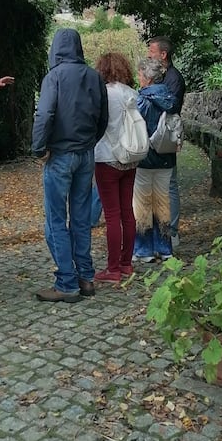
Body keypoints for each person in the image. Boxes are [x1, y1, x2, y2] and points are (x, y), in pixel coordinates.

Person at [32, 28, 108, 302]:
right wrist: (89, 142)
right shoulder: (94, 76)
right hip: (85, 154)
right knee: (80, 218)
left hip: (60, 154)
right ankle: (86, 277)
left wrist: (39, 148)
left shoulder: (54, 77)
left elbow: (44, 114)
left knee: (55, 220)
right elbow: (103, 117)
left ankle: (66, 282)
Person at [93, 52, 140, 282]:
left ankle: (112, 269)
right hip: (130, 157)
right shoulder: (132, 93)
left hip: (106, 157)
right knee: (127, 212)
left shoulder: (102, 93)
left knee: (112, 215)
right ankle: (126, 263)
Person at [132, 57, 177, 262]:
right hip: (166, 157)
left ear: (148, 78)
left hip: (145, 158)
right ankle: (164, 248)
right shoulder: (170, 98)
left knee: (143, 205)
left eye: (140, 74)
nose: (139, 77)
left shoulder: (141, 100)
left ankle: (144, 250)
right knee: (162, 204)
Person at [147, 37, 185, 249]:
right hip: (156, 137)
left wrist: (150, 96)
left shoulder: (173, 78)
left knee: (169, 183)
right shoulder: (161, 76)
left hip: (165, 137)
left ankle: (172, 231)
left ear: (163, 54)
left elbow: (170, 106)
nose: (149, 55)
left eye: (152, 51)